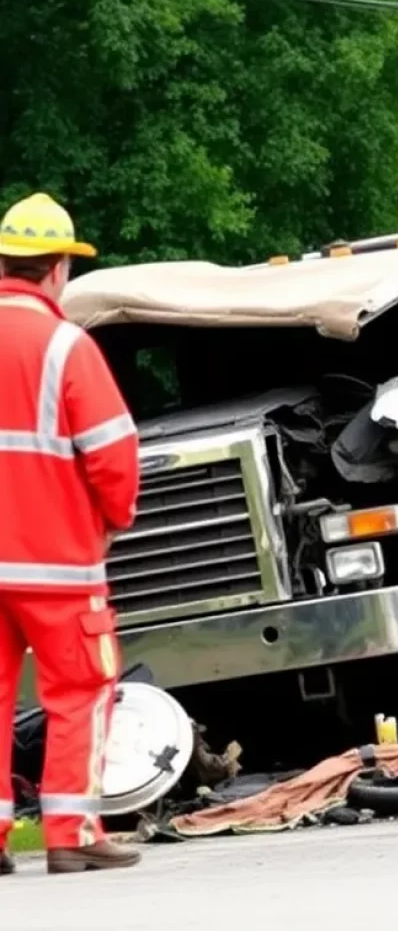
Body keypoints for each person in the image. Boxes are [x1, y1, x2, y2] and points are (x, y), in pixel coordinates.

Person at [0, 193, 141, 875]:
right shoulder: (64, 345)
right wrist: (112, 520)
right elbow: (114, 453)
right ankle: (70, 833)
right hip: (56, 563)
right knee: (80, 691)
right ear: (57, 269)